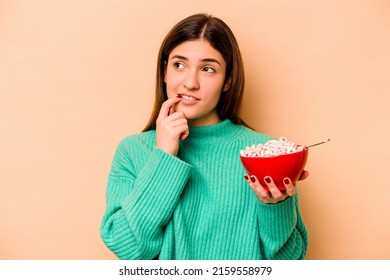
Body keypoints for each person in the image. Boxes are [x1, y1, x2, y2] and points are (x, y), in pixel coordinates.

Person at [100, 13, 309, 260]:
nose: (190, 82)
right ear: (165, 71)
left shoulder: (263, 153)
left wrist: (275, 207)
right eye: (179, 65)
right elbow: (130, 249)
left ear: (228, 80)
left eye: (208, 69)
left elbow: (291, 260)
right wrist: (164, 156)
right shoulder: (134, 151)